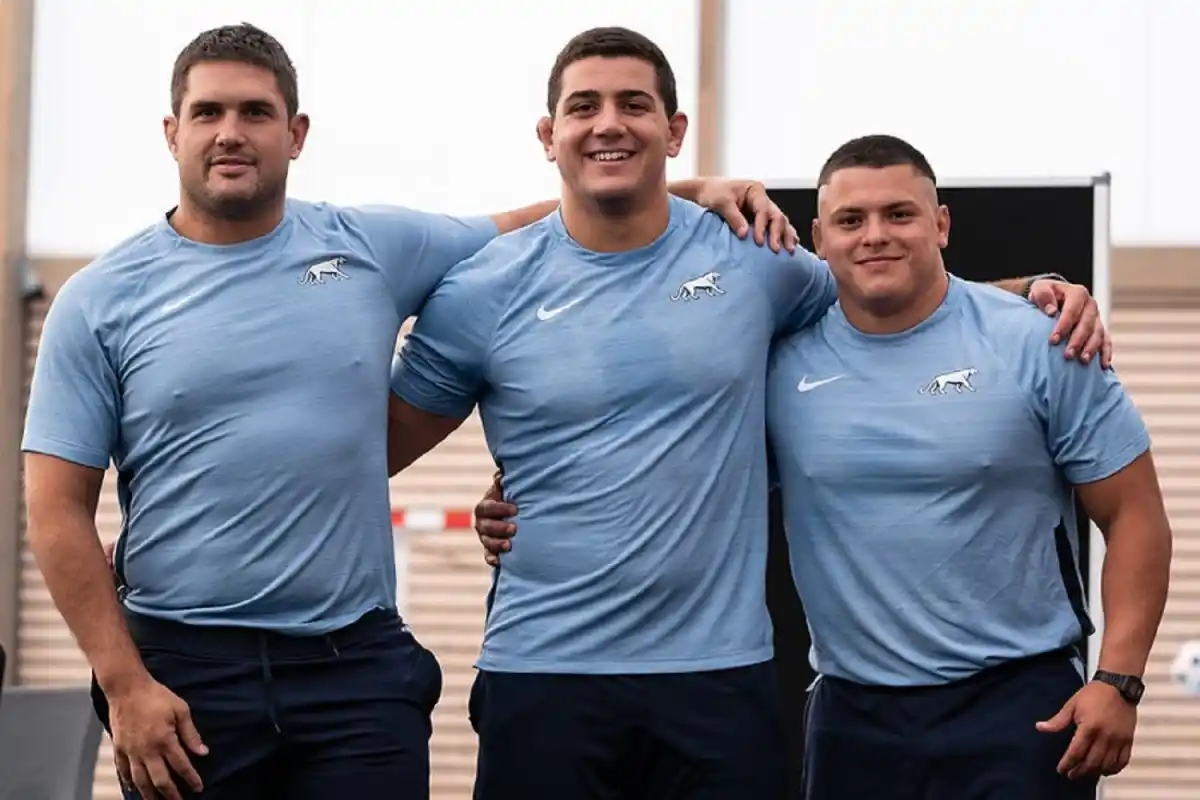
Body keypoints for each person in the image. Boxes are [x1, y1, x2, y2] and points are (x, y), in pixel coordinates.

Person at [20, 23, 798, 800]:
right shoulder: (98, 301)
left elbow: (535, 222)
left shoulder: (371, 246)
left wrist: (691, 190)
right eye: (208, 113)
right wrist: (124, 685)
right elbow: (56, 512)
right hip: (186, 673)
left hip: (354, 674)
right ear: (171, 132)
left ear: (295, 134)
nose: (231, 133)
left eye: (255, 113)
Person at [388, 28, 1110, 800]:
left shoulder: (752, 258)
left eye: (634, 104)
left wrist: (1034, 288)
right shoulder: (480, 290)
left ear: (674, 130)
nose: (609, 123)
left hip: (718, 679)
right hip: (542, 674)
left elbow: (892, 303)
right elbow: (367, 452)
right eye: (583, 106)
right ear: (547, 134)